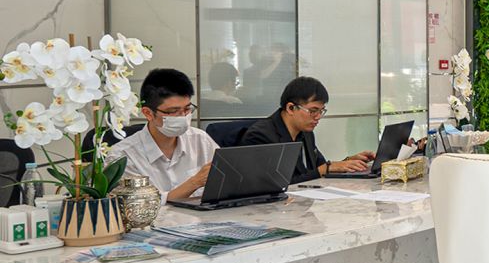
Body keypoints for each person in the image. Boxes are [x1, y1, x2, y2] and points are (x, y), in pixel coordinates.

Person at [241, 76, 375, 183]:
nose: (317, 117)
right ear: (290, 108)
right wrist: (324, 169)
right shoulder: (261, 136)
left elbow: (320, 167)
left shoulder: (305, 132)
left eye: (321, 111)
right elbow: (274, 184)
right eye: (313, 111)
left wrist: (347, 163)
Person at [113, 68, 219, 202]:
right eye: (173, 111)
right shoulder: (123, 156)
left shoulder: (200, 140)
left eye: (187, 109)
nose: (183, 116)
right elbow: (138, 207)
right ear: (148, 113)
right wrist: (195, 182)